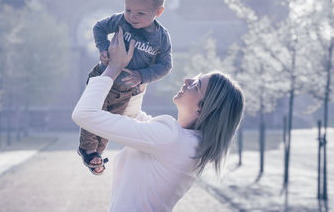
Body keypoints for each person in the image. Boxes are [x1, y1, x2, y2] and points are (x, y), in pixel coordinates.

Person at [72, 31, 245, 212]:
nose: (187, 80)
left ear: (203, 108)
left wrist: (113, 68)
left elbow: (84, 114)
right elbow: (131, 117)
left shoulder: (170, 138)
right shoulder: (188, 142)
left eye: (197, 84)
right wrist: (139, 75)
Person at [77, 0, 172, 175]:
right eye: (128, 9)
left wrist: (142, 75)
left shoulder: (162, 38)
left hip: (126, 91)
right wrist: (103, 48)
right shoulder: (121, 21)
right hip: (104, 77)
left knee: (108, 123)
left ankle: (96, 157)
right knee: (93, 114)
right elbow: (99, 27)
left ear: (159, 12)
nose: (132, 16)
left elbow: (165, 66)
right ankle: (87, 150)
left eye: (140, 13)